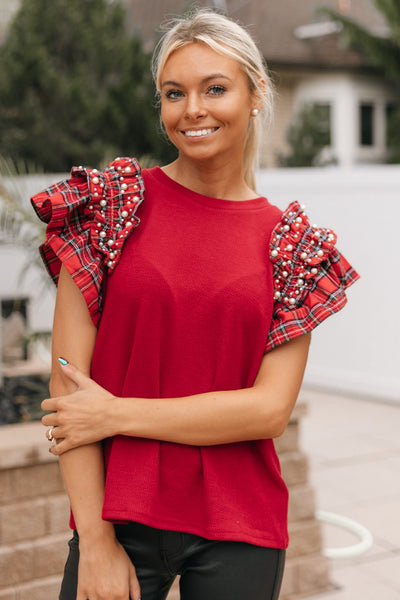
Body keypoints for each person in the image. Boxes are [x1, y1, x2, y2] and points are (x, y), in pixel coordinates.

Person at [31, 9, 359, 600]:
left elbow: (267, 411)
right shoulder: (110, 209)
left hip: (241, 523)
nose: (193, 110)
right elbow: (68, 393)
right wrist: (97, 543)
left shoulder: (292, 246)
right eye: (173, 93)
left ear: (255, 95)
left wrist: (117, 414)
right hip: (117, 516)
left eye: (215, 88)